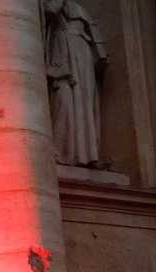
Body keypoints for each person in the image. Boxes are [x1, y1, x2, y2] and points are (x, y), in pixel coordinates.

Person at [42, 0, 108, 167]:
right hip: (63, 52)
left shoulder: (80, 9)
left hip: (82, 54)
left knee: (84, 104)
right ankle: (62, 152)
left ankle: (89, 155)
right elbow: (49, 11)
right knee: (64, 100)